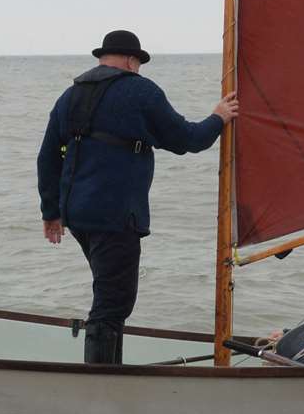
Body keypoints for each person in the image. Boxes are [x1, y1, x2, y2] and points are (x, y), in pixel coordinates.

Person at [36, 30, 237, 364]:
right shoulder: (140, 90)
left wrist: (51, 212)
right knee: (113, 303)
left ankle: (110, 374)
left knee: (108, 295)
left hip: (77, 215)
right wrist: (219, 117)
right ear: (132, 61)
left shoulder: (69, 96)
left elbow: (47, 158)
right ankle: (102, 384)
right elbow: (188, 139)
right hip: (116, 216)